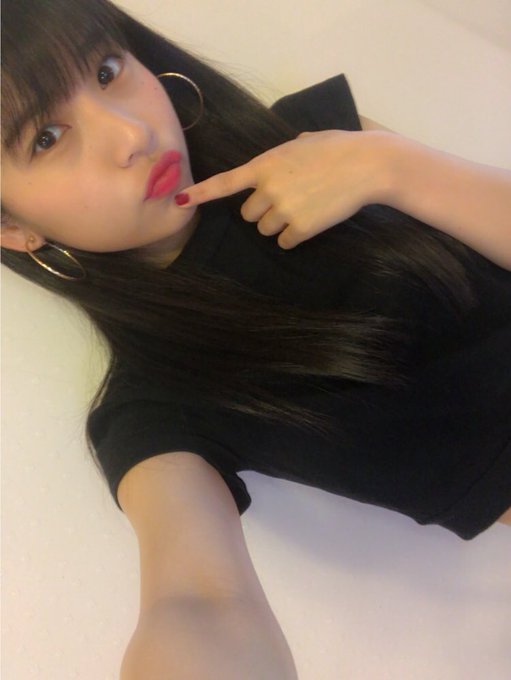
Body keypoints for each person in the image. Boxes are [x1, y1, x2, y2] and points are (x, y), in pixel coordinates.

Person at [2, 0, 510, 677]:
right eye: (46, 137)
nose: (130, 134)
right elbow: (197, 603)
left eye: (106, 70)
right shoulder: (155, 405)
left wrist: (394, 166)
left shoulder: (310, 138)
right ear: (13, 230)